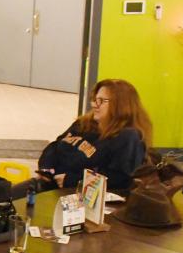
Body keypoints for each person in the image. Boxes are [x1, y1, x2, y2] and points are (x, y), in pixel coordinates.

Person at [14, 79, 152, 198]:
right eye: (95, 99)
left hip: (78, 195)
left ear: (121, 105)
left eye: (102, 101)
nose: (94, 105)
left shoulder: (128, 137)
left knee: (6, 202)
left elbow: (120, 179)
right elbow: (56, 145)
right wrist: (46, 169)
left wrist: (72, 180)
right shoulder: (84, 124)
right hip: (49, 184)